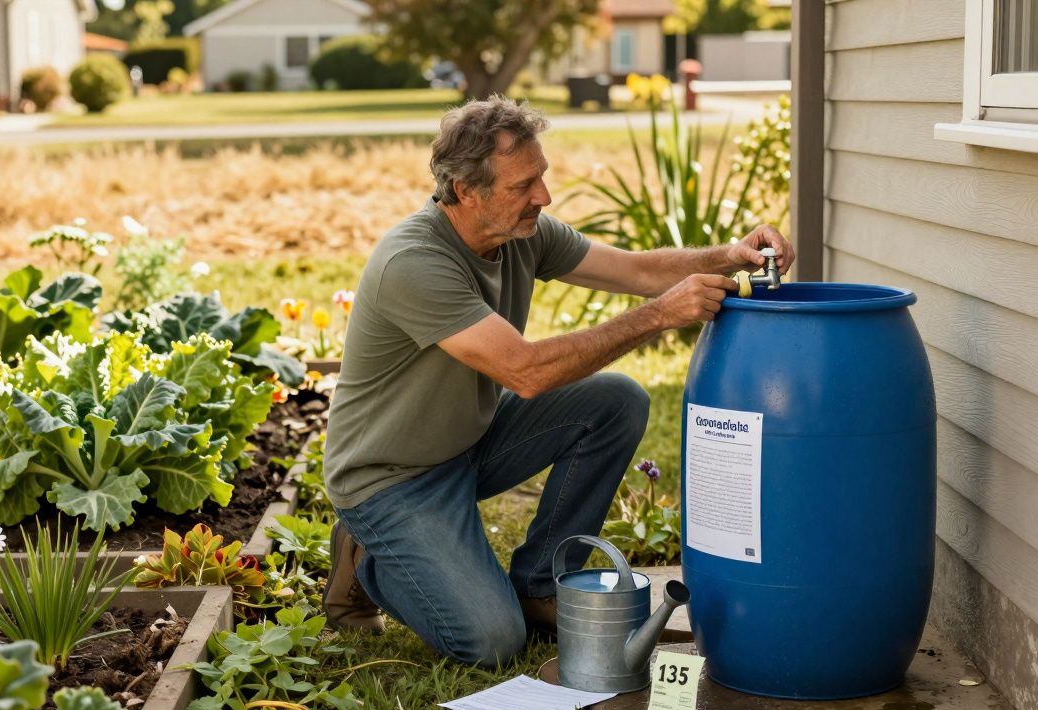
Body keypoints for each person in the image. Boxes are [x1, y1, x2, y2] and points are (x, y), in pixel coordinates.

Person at [321, 95, 793, 667]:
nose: (543, 197)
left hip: (468, 443)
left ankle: (541, 585)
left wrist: (729, 255)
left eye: (541, 177)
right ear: (467, 191)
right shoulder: (414, 263)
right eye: (524, 185)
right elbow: (526, 371)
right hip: (390, 476)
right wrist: (659, 316)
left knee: (616, 400)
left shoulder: (522, 231)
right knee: (492, 641)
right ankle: (368, 553)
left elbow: (636, 269)